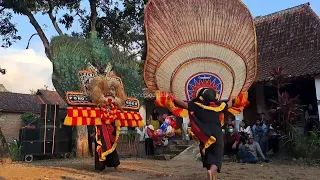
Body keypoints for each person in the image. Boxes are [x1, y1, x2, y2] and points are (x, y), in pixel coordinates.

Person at [173, 88, 232, 180]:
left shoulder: (197, 106)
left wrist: (172, 97)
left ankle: (211, 175)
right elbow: (229, 105)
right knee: (218, 155)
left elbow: (182, 104)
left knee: (207, 153)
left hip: (204, 134)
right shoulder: (219, 105)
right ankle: (211, 171)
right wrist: (231, 98)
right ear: (215, 97)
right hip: (216, 132)